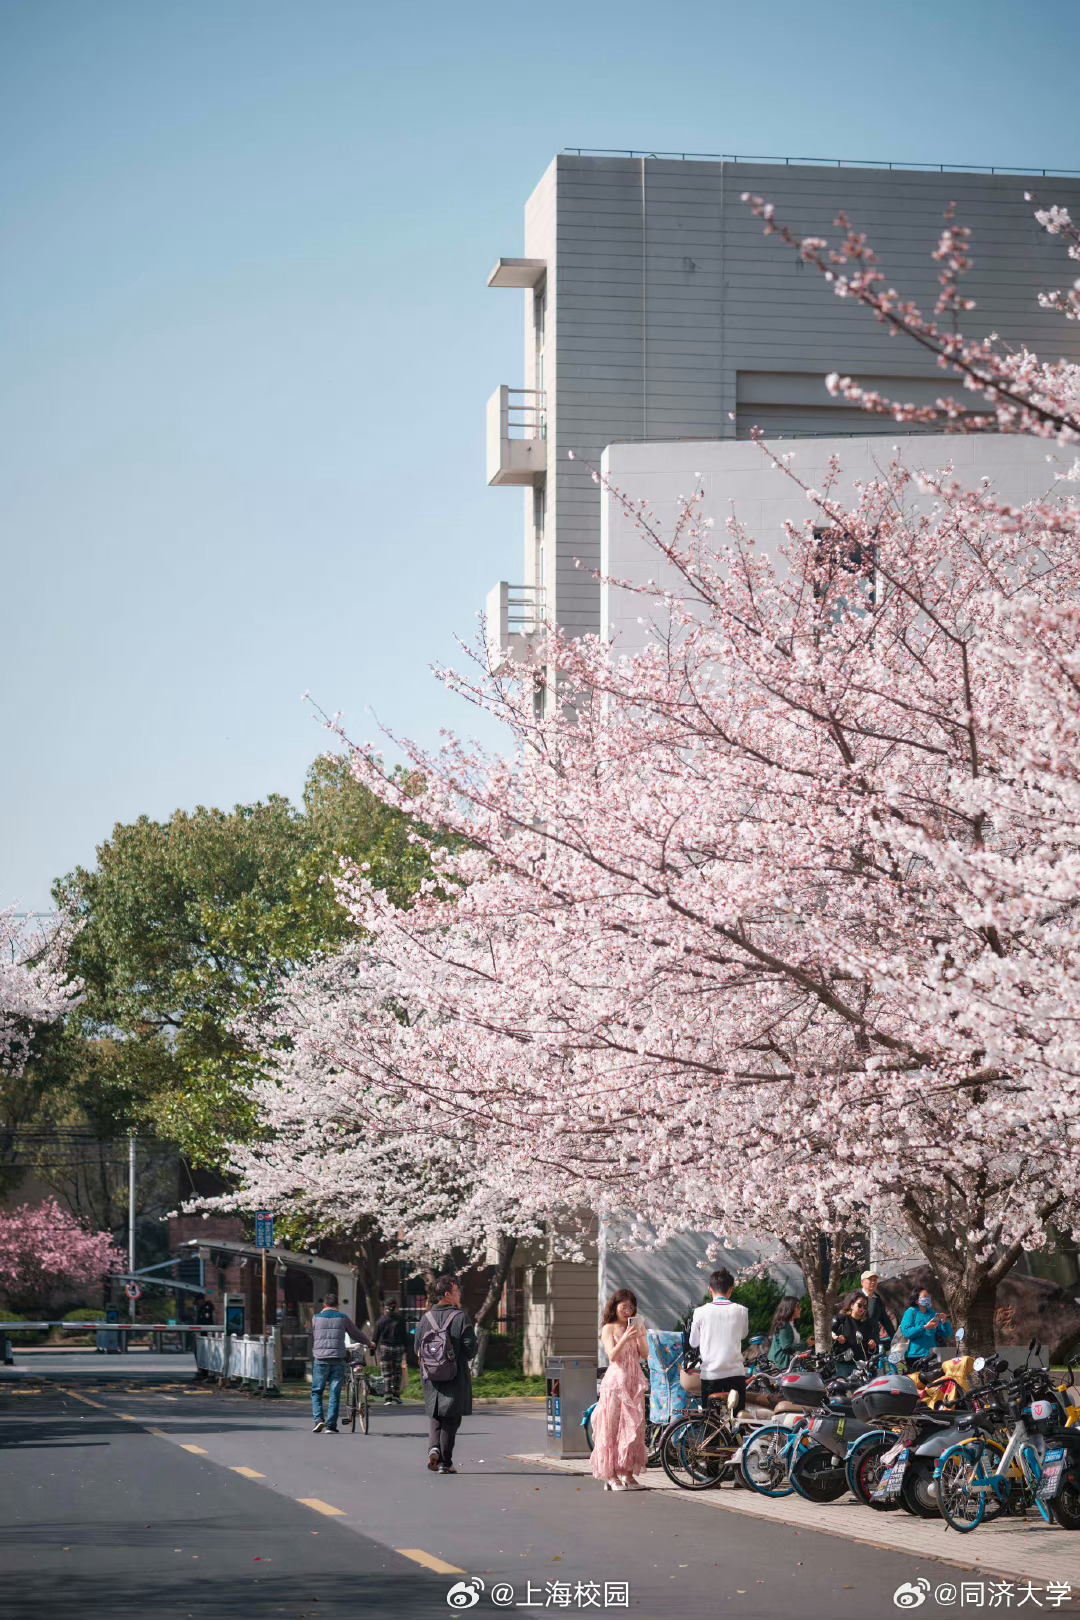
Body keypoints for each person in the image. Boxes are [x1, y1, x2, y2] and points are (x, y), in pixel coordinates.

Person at [415, 1274, 477, 1474]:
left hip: (431, 1376)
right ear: (448, 1294)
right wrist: (457, 1357)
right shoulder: (460, 1317)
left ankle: (434, 1448)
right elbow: (470, 1348)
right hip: (454, 1375)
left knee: (436, 1415)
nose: (459, 1295)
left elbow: (417, 1347)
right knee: (450, 1418)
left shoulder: (426, 1318)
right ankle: (445, 1463)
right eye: (457, 1291)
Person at [590, 1288, 649, 1492]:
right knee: (612, 1429)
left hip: (634, 1382)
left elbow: (645, 1353)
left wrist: (640, 1333)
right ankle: (611, 1475)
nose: (627, 1310)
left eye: (631, 1306)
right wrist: (624, 1337)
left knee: (634, 1428)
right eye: (624, 1306)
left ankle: (627, 1473)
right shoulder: (609, 1328)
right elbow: (612, 1356)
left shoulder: (635, 1326)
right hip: (616, 1383)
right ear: (614, 1307)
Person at [311, 1288, 372, 1435]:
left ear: (324, 1305)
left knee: (317, 1391)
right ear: (337, 1305)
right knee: (335, 1392)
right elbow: (356, 1333)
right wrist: (369, 1343)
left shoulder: (316, 1318)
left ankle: (319, 1419)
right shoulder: (343, 1318)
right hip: (338, 1359)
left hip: (320, 1359)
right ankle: (331, 1425)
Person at [688, 1267, 750, 1413]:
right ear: (731, 1290)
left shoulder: (700, 1312)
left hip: (710, 1374)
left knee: (710, 1419)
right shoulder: (741, 1310)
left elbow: (693, 1342)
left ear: (710, 1289)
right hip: (735, 1373)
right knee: (737, 1418)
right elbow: (743, 1335)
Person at [899, 1287, 953, 1359]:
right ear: (917, 1301)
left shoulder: (932, 1313)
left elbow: (947, 1334)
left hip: (932, 1355)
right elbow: (907, 1332)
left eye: (928, 1296)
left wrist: (944, 1322)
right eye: (925, 1296)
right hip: (914, 1355)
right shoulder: (911, 1312)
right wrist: (925, 1327)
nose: (928, 1298)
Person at [373, 1298, 408, 1405]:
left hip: (385, 1348)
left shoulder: (381, 1320)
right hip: (398, 1348)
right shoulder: (401, 1320)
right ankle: (396, 1394)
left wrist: (372, 1349)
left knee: (386, 1373)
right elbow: (404, 1336)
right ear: (396, 1307)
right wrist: (406, 1349)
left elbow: (375, 1337)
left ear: (386, 1308)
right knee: (397, 1371)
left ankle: (388, 1396)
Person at [831, 1293, 877, 1368]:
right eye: (859, 1305)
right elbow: (829, 1332)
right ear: (852, 1305)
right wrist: (837, 1337)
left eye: (865, 1307)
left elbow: (868, 1347)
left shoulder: (867, 1325)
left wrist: (872, 1347)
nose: (862, 1308)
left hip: (860, 1365)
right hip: (842, 1364)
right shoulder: (841, 1319)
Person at [860, 1270, 896, 1354]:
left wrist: (895, 1338)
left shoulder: (877, 1299)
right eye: (870, 1280)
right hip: (859, 1341)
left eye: (875, 1280)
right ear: (862, 1282)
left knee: (873, 1366)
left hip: (874, 1341)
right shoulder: (856, 1296)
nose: (873, 1282)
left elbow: (885, 1320)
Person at [768, 1296, 803, 1370]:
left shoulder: (792, 1324)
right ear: (790, 1309)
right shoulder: (784, 1326)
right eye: (797, 1307)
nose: (800, 1309)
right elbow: (787, 1347)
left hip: (789, 1364)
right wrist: (806, 1345)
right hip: (780, 1367)